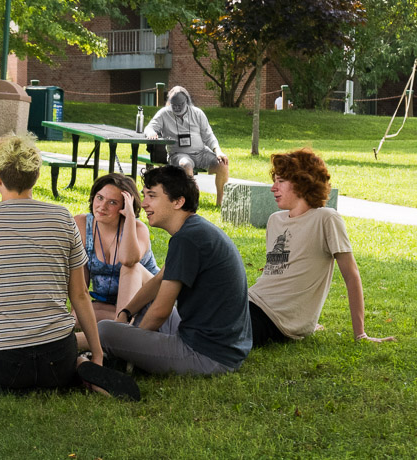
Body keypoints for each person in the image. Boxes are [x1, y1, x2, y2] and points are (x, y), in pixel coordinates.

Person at [0, 134, 140, 400]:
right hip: (58, 357)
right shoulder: (63, 218)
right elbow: (80, 294)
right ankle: (79, 367)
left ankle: (1, 386)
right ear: (37, 176)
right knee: (58, 360)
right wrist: (95, 353)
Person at [98, 165, 252, 375]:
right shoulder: (194, 230)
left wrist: (131, 345)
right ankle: (124, 359)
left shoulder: (187, 239)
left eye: (152, 196)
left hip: (206, 355)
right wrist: (126, 312)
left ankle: (121, 360)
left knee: (104, 330)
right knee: (139, 307)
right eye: (144, 195)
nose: (143, 204)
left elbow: (161, 312)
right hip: (220, 347)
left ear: (178, 201)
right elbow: (158, 281)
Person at [248, 149, 396, 346]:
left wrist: (360, 334)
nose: (273, 188)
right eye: (274, 180)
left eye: (281, 181)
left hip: (274, 319)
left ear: (302, 183)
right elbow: (279, 274)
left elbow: (351, 276)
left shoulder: (326, 218)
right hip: (248, 301)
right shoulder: (275, 220)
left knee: (209, 330)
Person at [73, 174, 159, 348]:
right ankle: (131, 328)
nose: (102, 206)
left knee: (130, 266)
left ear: (125, 206)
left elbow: (128, 260)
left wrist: (128, 219)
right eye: (99, 198)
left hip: (148, 300)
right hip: (110, 307)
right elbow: (80, 275)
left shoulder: (138, 229)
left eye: (112, 202)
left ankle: (118, 333)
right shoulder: (82, 224)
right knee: (76, 317)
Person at [144, 86, 230, 206]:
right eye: (174, 104)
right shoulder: (164, 113)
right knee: (186, 164)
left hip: (201, 153)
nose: (177, 107)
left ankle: (220, 203)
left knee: (222, 164)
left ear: (187, 102)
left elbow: (208, 136)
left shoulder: (197, 113)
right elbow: (149, 128)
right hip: (178, 154)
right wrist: (151, 132)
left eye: (180, 104)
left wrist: (218, 151)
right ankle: (193, 199)